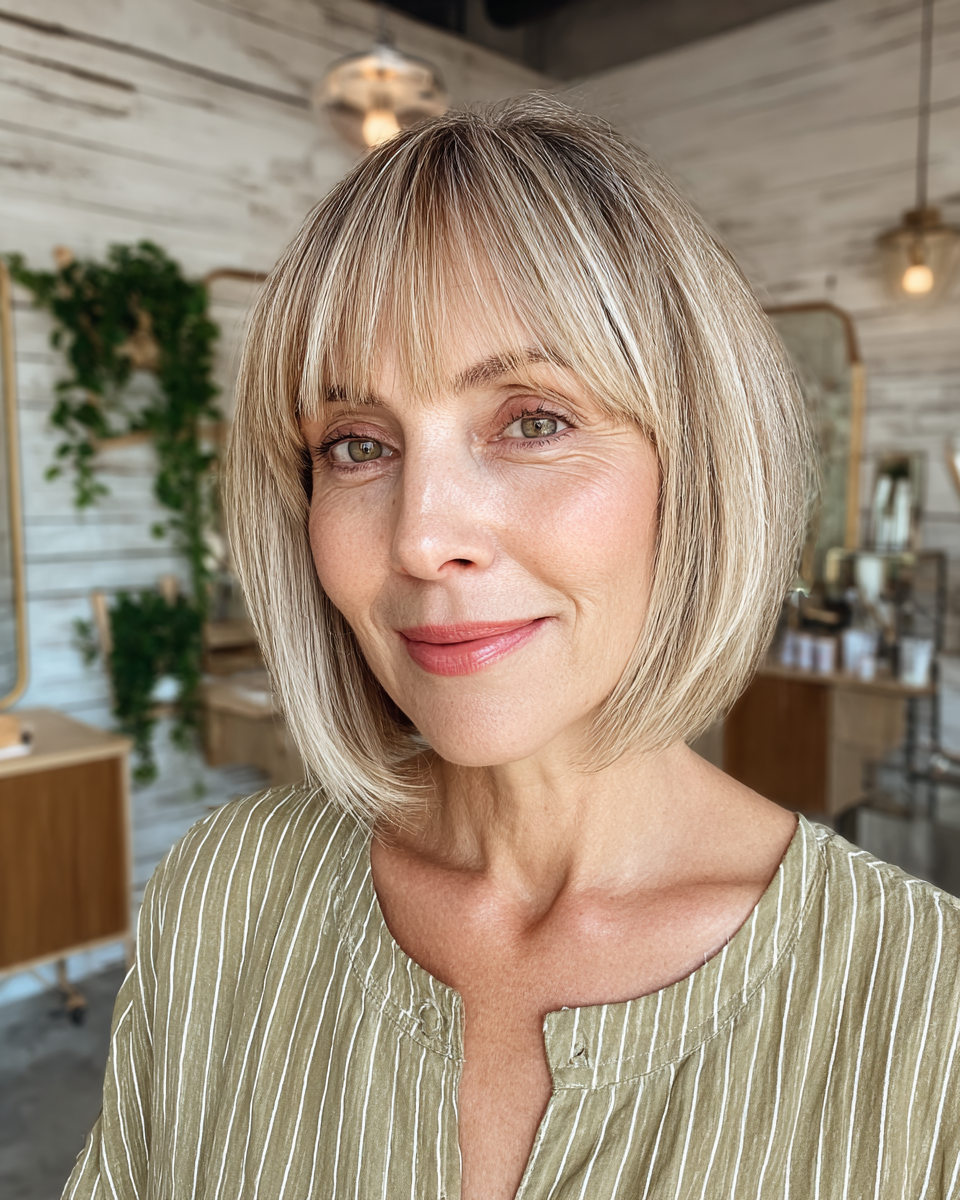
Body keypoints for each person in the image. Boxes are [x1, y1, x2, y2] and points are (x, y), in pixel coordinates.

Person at [65, 97, 960, 1200]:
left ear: (700, 468)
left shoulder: (930, 1012)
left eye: (532, 420)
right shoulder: (220, 895)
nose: (421, 536)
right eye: (356, 443)